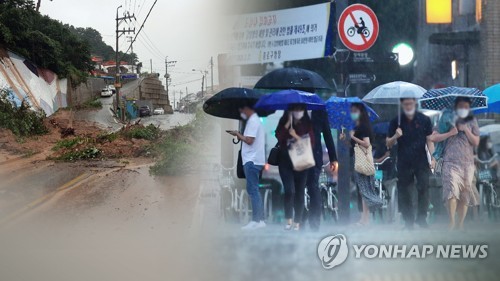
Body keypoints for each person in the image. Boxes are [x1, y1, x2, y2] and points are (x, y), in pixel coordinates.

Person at [429, 97, 480, 230]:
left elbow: (476, 142)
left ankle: (460, 224)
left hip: (467, 163)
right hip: (450, 161)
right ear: (456, 106)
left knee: (465, 193)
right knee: (451, 191)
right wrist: (450, 132)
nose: (464, 108)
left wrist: (466, 129)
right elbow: (433, 137)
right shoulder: (446, 118)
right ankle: (451, 221)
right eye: (461, 106)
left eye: (466, 106)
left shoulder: (472, 120)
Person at [387, 98, 435, 230]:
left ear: (415, 103)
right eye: (406, 104)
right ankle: (408, 220)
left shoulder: (424, 120)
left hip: (421, 160)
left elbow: (429, 140)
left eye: (410, 103)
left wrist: (433, 157)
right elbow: (388, 143)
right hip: (404, 160)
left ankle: (421, 218)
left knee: (424, 187)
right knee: (404, 191)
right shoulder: (396, 121)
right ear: (402, 105)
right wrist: (395, 136)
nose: (408, 106)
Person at [341, 103, 383, 226]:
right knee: (362, 189)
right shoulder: (356, 127)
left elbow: (366, 143)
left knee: (365, 189)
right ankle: (364, 218)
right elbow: (353, 146)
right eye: (351, 111)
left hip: (363, 160)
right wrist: (345, 140)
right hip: (357, 158)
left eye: (355, 111)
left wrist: (353, 137)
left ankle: (366, 218)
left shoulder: (363, 127)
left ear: (360, 112)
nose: (353, 113)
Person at [275, 104, 314, 231]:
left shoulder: (307, 124)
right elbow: (279, 137)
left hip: (301, 162)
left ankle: (298, 221)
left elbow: (311, 142)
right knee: (289, 190)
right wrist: (287, 125)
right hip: (285, 162)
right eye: (294, 109)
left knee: (299, 192)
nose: (297, 112)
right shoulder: (284, 121)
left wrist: (295, 135)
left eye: (300, 109)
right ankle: (289, 219)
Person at [228, 103, 266, 230]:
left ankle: (256, 220)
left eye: (242, 108)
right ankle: (259, 220)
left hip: (252, 160)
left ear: (248, 108)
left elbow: (250, 140)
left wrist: (237, 134)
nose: (241, 112)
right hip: (254, 160)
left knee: (252, 190)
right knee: (254, 190)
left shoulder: (253, 121)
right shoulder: (254, 120)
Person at [304, 109, 338, 231]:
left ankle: (314, 223)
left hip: (314, 156)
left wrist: (333, 158)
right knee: (298, 188)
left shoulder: (320, 112)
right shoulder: (295, 110)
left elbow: (327, 135)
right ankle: (300, 221)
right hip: (297, 156)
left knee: (313, 187)